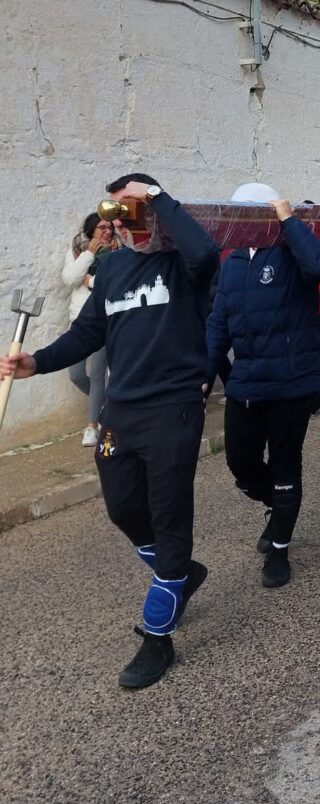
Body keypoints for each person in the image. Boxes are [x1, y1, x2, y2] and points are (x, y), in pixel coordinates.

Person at [0, 175, 218, 690]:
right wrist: (37, 362)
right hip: (120, 412)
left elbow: (206, 251)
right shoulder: (113, 265)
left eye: (133, 207)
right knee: (122, 507)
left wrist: (158, 196)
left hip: (174, 409)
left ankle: (157, 635)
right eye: (117, 208)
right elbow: (89, 332)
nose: (125, 216)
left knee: (169, 519)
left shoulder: (182, 262)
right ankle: (182, 573)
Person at [206, 182, 320, 588]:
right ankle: (279, 508)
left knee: (284, 464)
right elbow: (219, 323)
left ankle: (280, 548)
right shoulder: (232, 263)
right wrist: (202, 376)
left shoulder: (292, 251)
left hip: (292, 382)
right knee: (240, 463)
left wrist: (287, 221)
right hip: (246, 382)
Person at [63, 213, 120, 445]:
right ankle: (107, 404)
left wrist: (92, 281)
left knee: (98, 373)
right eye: (101, 228)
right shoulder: (77, 250)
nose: (107, 232)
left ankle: (92, 426)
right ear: (90, 231)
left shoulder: (119, 253)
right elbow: (69, 279)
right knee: (76, 374)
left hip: (104, 320)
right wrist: (89, 254)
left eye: (109, 228)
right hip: (79, 320)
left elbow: (114, 284)